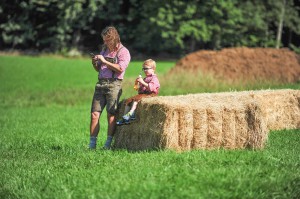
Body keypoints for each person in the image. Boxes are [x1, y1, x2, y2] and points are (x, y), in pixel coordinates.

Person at [89, 26, 131, 149]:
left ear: (114, 38)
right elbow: (99, 69)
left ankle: (107, 144)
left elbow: (120, 68)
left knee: (111, 115)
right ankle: (92, 145)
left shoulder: (124, 52)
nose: (105, 43)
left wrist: (104, 61)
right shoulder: (104, 49)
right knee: (94, 115)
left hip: (114, 84)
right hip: (100, 84)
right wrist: (95, 62)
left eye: (107, 40)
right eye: (104, 40)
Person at [117, 59, 160, 125]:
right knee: (128, 100)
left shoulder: (154, 78)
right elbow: (139, 89)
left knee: (136, 99)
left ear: (153, 69)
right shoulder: (146, 78)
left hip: (151, 94)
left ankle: (131, 113)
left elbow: (151, 88)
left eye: (146, 69)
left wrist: (142, 82)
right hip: (144, 94)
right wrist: (138, 84)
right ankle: (125, 118)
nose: (145, 70)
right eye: (143, 69)